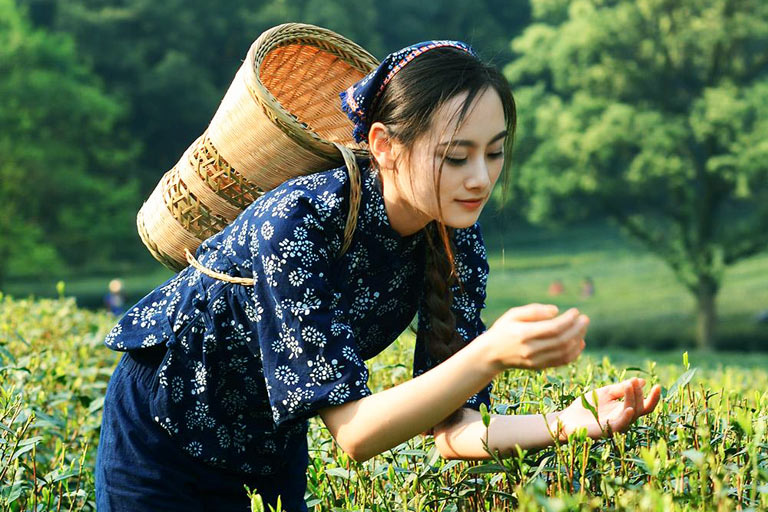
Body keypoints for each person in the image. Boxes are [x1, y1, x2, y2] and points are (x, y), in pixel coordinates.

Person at [94, 40, 661, 512]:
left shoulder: (456, 239)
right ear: (385, 147)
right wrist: (491, 352)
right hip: (162, 434)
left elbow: (456, 433)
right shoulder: (298, 222)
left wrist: (573, 420)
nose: (481, 178)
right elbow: (356, 434)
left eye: (495, 153)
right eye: (456, 157)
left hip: (267, 446)